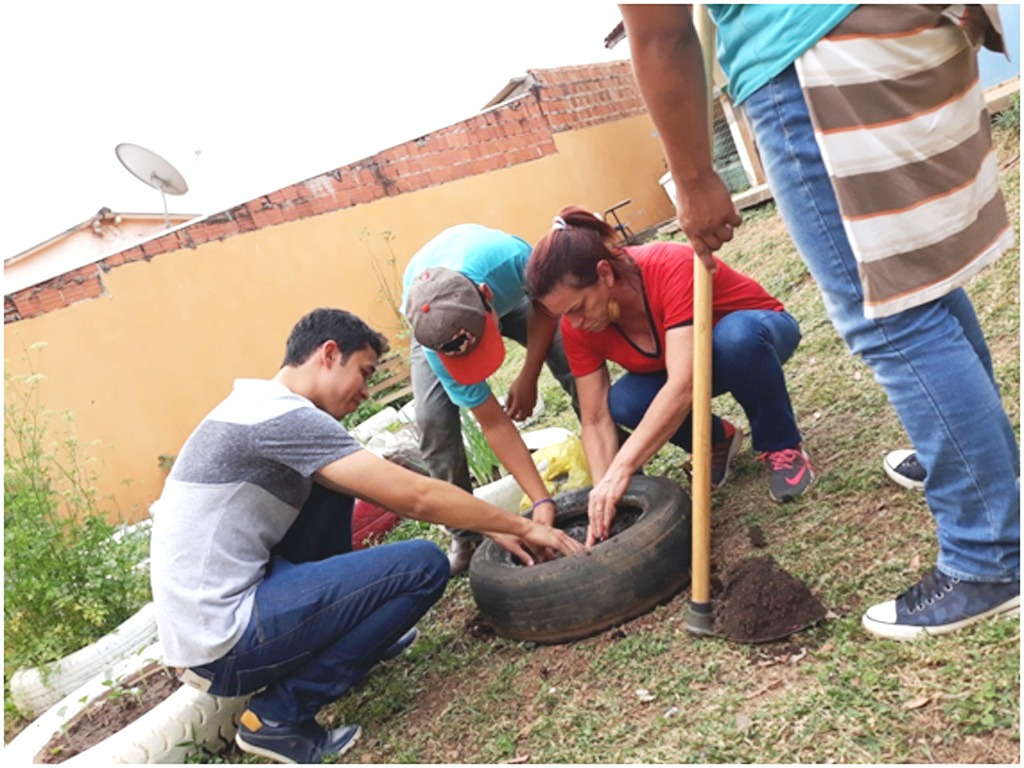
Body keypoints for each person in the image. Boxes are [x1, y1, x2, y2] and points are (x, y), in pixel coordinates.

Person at [619, 3, 1019, 640]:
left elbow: (661, 31)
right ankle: (985, 466)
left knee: (890, 315)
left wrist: (693, 178)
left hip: (814, 54)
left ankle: (989, 555)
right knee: (916, 282)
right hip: (902, 27)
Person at [149, 308, 582, 764]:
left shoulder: (259, 407)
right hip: (225, 640)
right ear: (329, 354)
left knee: (336, 487)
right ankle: (277, 719)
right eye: (365, 372)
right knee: (422, 566)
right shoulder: (282, 418)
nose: (366, 390)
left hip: (220, 619)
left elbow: (385, 489)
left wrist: (488, 522)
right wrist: (519, 523)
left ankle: (354, 630)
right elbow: (415, 497)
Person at [527, 206, 813, 546]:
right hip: (692, 366)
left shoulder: (670, 265)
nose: (574, 324)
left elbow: (684, 384)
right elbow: (595, 419)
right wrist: (603, 495)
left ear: (605, 274)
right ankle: (717, 440)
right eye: (564, 316)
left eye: (578, 308)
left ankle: (782, 446)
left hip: (757, 338)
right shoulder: (579, 328)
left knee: (735, 339)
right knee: (624, 401)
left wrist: (623, 468)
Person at [402, 223, 578, 573]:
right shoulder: (434, 336)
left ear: (487, 296)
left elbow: (546, 310)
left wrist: (528, 375)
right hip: (439, 315)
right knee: (433, 420)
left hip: (508, 295)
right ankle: (466, 534)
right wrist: (542, 500)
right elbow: (493, 421)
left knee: (573, 359)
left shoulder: (514, 260)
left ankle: (622, 469)